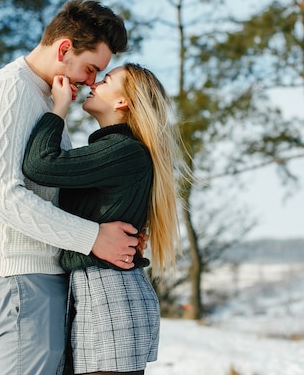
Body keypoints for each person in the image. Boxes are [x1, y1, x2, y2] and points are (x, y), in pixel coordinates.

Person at [0, 0, 141, 375]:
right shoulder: (10, 91)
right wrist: (92, 237)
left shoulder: (45, 97)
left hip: (41, 275)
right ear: (65, 49)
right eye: (91, 68)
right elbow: (3, 197)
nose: (92, 81)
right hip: (18, 276)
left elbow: (55, 188)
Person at [22, 63, 186, 375]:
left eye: (106, 79)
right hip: (105, 295)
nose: (93, 83)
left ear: (122, 102)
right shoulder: (120, 151)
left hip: (108, 298)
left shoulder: (122, 151)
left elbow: (40, 165)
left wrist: (58, 108)